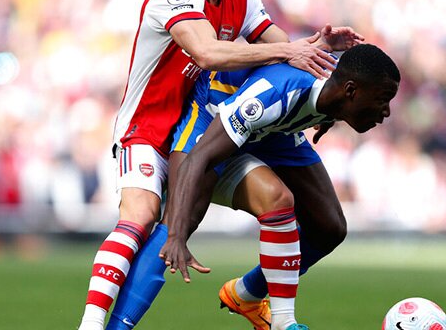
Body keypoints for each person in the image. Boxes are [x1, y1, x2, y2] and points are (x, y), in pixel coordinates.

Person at [76, 0, 362, 328]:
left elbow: (286, 52)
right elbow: (208, 54)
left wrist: (315, 45)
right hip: (148, 132)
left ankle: (270, 311)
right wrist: (287, 50)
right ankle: (91, 324)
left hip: (204, 130)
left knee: (277, 199)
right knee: (142, 216)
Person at [160, 43, 400, 330]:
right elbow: (197, 158)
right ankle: (284, 323)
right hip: (214, 116)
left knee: (329, 228)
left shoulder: (336, 93)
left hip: (276, 128)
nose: (386, 112)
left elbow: (337, 81)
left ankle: (245, 294)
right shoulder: (273, 94)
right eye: (383, 99)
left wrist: (333, 116)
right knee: (179, 225)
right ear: (350, 92)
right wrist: (176, 234)